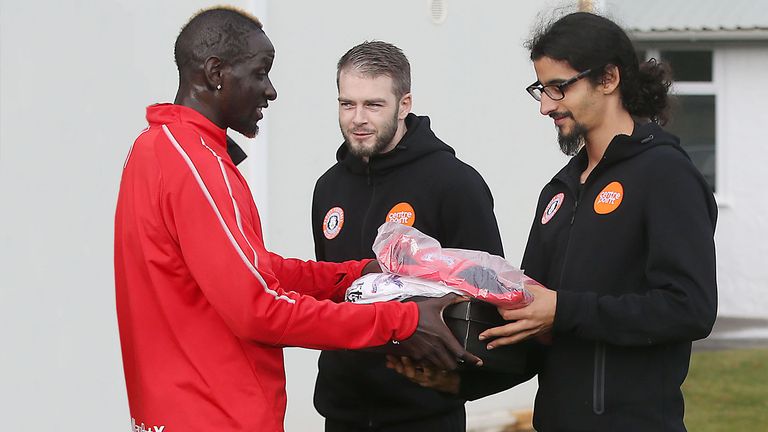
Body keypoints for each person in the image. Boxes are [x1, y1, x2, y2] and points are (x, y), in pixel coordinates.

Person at [114, 8, 479, 432]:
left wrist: (355, 274)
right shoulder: (195, 164)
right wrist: (402, 320)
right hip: (214, 413)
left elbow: (254, 272)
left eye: (373, 104)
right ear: (216, 73)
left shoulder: (155, 148)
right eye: (260, 72)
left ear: (404, 105)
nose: (270, 91)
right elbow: (259, 308)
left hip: (185, 408)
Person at [476, 12, 718, 432]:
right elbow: (536, 325)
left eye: (558, 87)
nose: (545, 106)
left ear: (608, 79)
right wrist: (458, 378)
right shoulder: (558, 190)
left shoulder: (665, 175)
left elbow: (690, 308)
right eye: (540, 88)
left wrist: (565, 310)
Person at [311, 41, 512, 432]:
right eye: (347, 104)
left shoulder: (454, 183)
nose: (358, 119)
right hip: (342, 412)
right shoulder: (327, 188)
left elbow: (490, 302)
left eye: (373, 104)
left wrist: (461, 384)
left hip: (423, 413)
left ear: (404, 104)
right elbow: (331, 288)